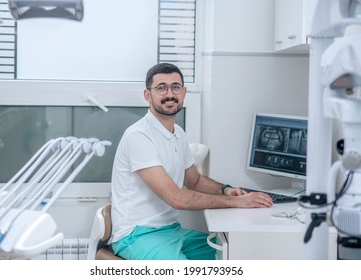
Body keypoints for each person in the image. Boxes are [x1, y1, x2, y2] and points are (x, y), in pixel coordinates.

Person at [110, 63, 273, 260]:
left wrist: (226, 190)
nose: (169, 93)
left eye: (175, 87)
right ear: (147, 95)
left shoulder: (178, 133)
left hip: (170, 231)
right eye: (161, 88)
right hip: (136, 234)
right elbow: (176, 198)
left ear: (184, 92)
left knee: (233, 255)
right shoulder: (139, 136)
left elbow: (194, 181)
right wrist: (238, 202)